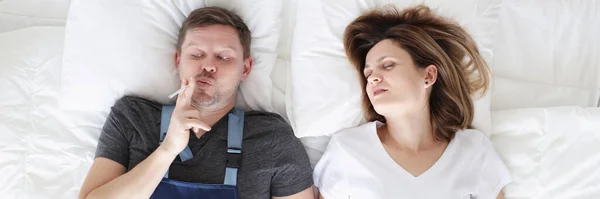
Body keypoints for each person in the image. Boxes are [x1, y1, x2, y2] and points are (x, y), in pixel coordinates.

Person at [79, 7, 314, 199]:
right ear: (178, 60)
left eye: (223, 57)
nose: (208, 66)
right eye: (196, 55)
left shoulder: (273, 139)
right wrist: (168, 149)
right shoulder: (132, 118)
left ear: (246, 68)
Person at [313, 5, 511, 199]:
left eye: (388, 65)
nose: (373, 78)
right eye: (368, 73)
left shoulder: (474, 152)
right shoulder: (348, 150)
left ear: (429, 75)